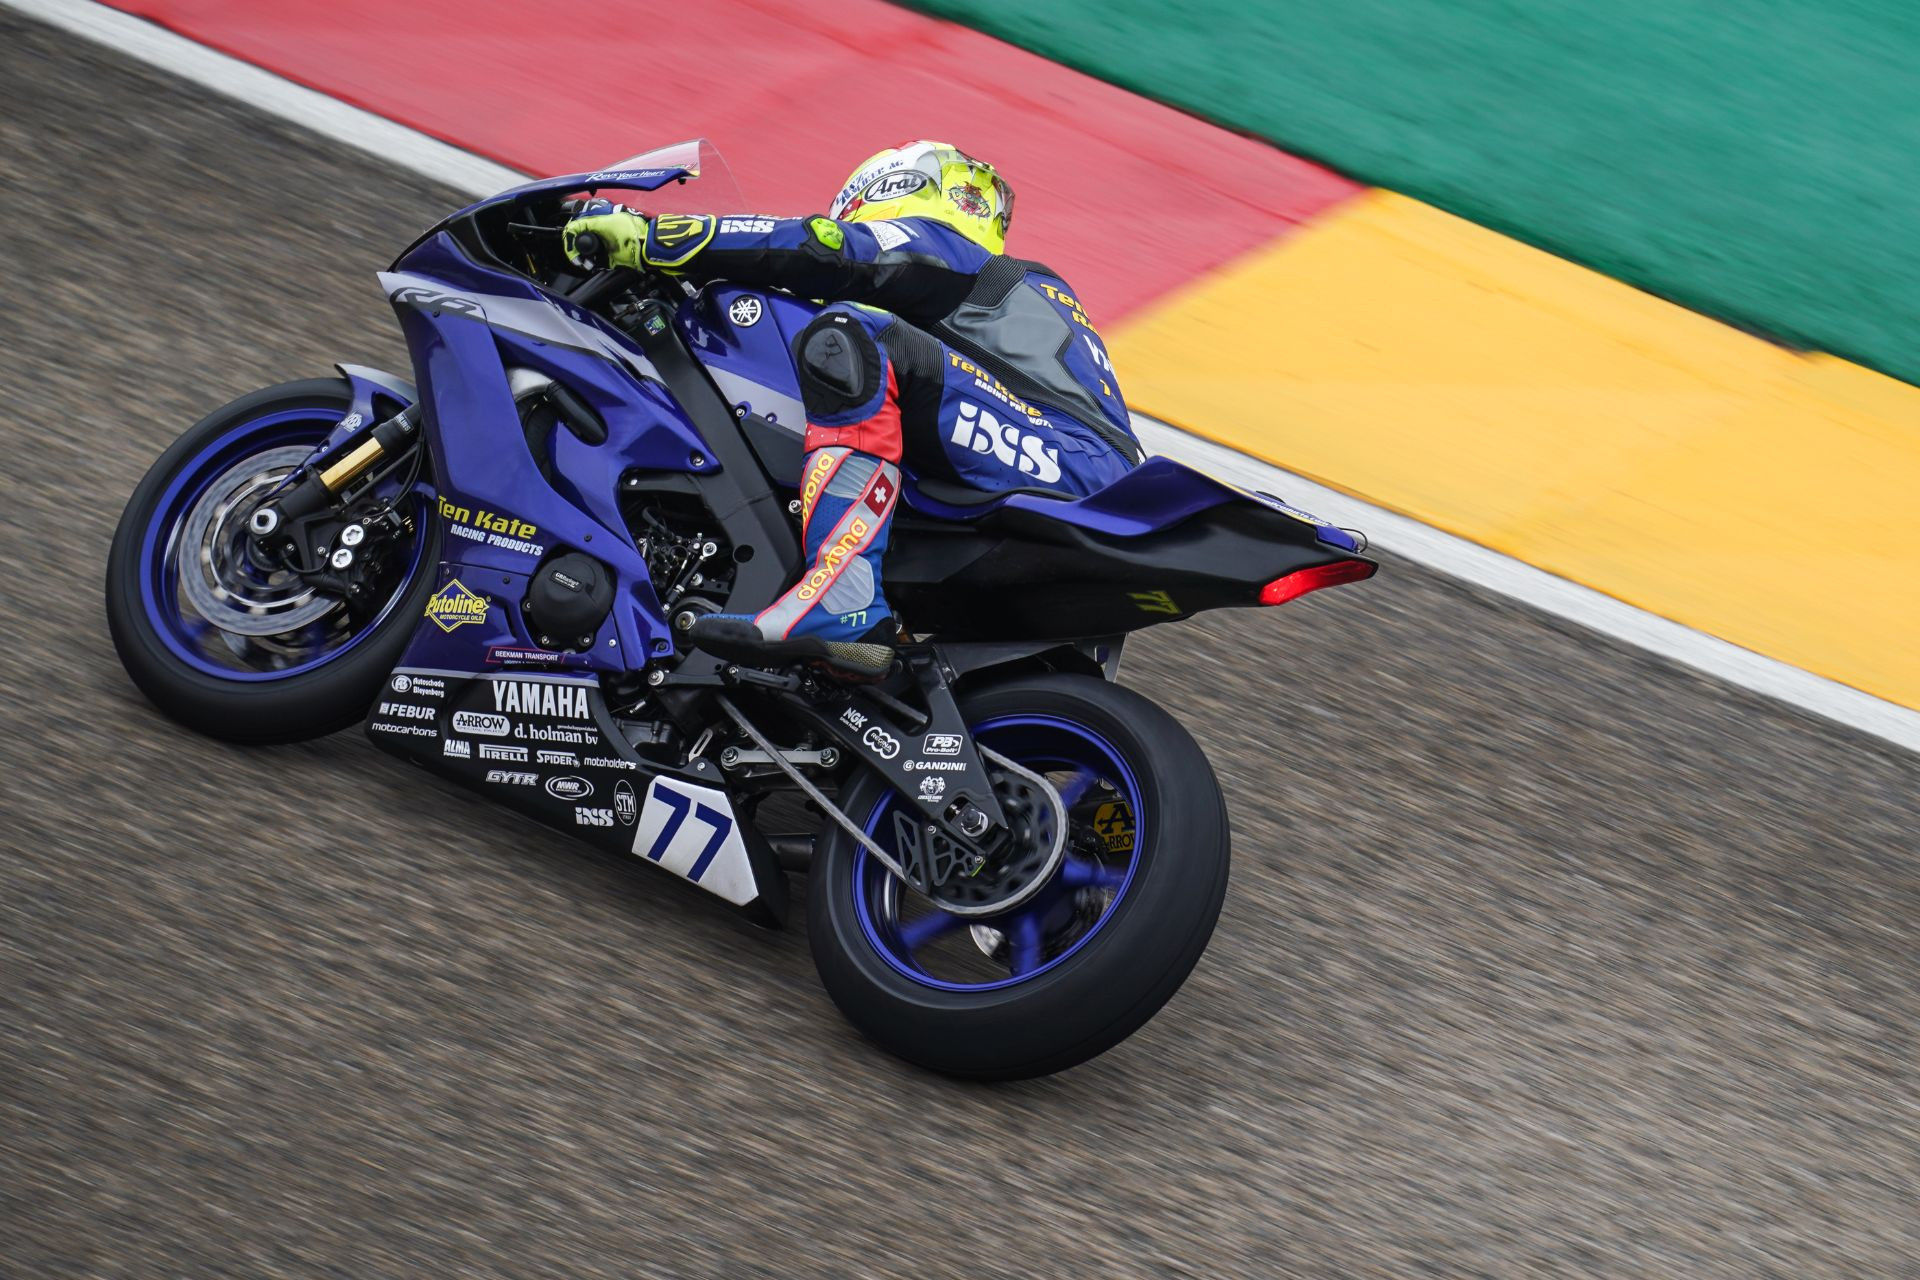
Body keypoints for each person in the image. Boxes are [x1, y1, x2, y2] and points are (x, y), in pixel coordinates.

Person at [562, 141, 1142, 676]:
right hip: (1087, 477)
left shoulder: (949, 252)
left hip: (1067, 460)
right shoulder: (1007, 303)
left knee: (849, 334)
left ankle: (842, 593)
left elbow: (829, 248)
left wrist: (652, 238)